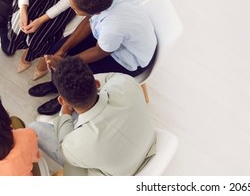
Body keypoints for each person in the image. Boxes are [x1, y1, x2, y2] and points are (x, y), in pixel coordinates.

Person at [29, 0, 157, 115]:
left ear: (96, 12)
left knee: (74, 76)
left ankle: (66, 101)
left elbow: (99, 51)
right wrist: (62, 52)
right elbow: (90, 21)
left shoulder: (113, 27)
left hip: (128, 58)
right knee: (56, 50)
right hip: (112, 39)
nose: (72, 9)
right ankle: (56, 85)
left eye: (75, 9)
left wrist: (66, 64)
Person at [28, 57, 156, 176]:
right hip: (150, 146)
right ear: (96, 84)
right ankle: (58, 122)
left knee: (35, 128)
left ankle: (58, 122)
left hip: (118, 177)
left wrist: (65, 113)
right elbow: (109, 78)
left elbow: (64, 146)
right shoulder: (125, 83)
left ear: (61, 100)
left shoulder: (76, 145)